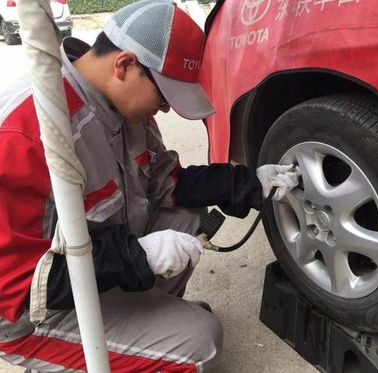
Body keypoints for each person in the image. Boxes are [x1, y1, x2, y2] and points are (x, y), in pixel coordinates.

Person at [0, 0, 299, 371]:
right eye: (164, 96)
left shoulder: (122, 107)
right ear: (124, 65)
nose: (165, 111)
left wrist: (248, 181)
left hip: (91, 271)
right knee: (200, 344)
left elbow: (168, 184)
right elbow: (15, 290)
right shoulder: (26, 134)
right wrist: (136, 256)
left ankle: (143, 327)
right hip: (29, 317)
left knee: (188, 215)